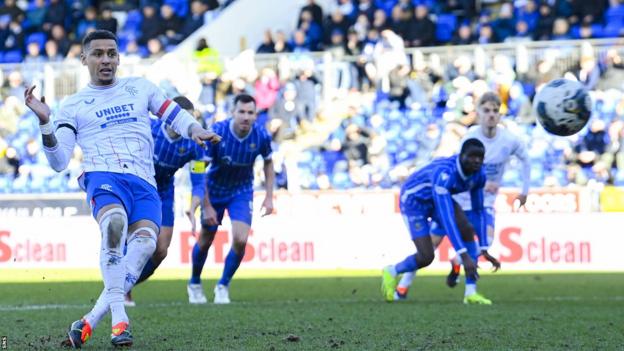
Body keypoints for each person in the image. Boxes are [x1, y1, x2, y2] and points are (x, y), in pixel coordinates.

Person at [23, 30, 220, 348]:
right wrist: (46, 123)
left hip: (144, 183)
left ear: (118, 58)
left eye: (112, 53)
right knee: (114, 224)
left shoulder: (139, 88)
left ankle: (88, 321)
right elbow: (59, 161)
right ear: (84, 58)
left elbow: (172, 112)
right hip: (104, 176)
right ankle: (120, 322)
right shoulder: (73, 106)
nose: (106, 60)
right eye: (98, 53)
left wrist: (195, 129)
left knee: (146, 247)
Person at [396, 92, 530, 304]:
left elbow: (526, 159)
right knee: (429, 249)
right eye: (486, 110)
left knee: (481, 243)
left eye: (496, 111)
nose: (491, 115)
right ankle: (403, 286)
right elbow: (460, 172)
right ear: (478, 113)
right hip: (460, 200)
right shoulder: (470, 138)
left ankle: (468, 286)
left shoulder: (509, 140)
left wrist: (525, 190)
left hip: (484, 203)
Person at [187, 93, 275, 304]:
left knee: (241, 239)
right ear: (233, 113)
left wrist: (270, 197)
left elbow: (269, 163)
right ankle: (195, 282)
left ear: (256, 115)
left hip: (241, 191)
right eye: (241, 112)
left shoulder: (262, 135)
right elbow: (199, 167)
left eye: (250, 113)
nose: (246, 117)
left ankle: (223, 285)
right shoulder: (218, 132)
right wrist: (205, 205)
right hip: (214, 190)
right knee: (206, 239)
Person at [123, 96, 209, 306]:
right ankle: (121, 289)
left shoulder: (194, 145)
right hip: (136, 186)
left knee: (161, 250)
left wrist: (194, 205)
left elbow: (198, 180)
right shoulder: (149, 129)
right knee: (131, 239)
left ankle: (125, 284)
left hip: (163, 191)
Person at [381, 138, 486, 303]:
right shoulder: (445, 174)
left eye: (480, 157)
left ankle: (470, 293)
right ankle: (392, 271)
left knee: (466, 228)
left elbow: (478, 211)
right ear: (461, 156)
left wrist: (484, 246)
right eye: (472, 156)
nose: (477, 161)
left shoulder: (479, 173)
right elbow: (447, 219)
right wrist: (463, 255)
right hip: (414, 202)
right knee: (426, 256)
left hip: (436, 199)